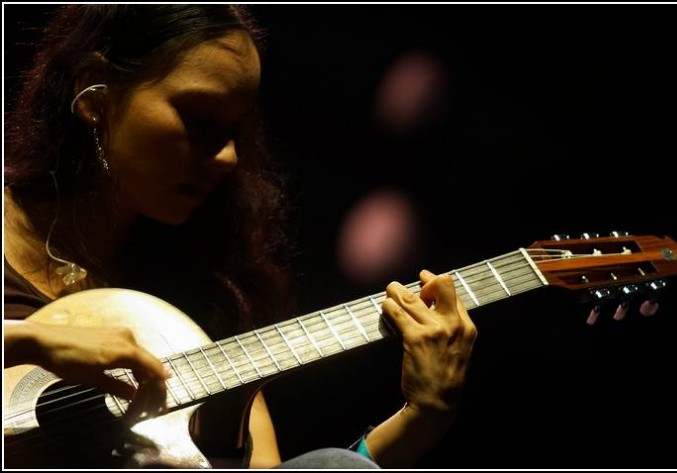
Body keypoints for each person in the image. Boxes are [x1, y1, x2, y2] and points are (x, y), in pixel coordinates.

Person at [3, 5, 477, 469]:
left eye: (234, 130)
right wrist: (35, 344)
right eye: (198, 118)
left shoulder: (203, 298)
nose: (229, 157)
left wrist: (421, 419)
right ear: (95, 95)